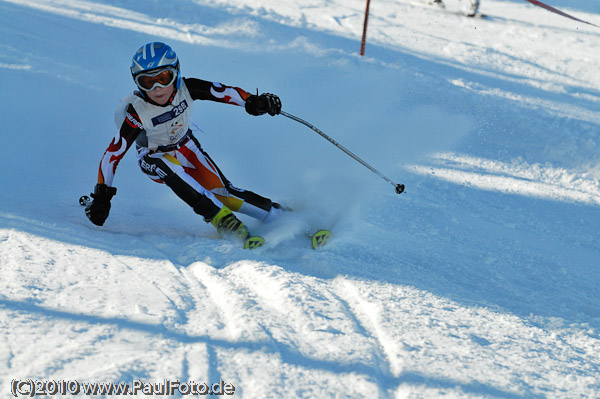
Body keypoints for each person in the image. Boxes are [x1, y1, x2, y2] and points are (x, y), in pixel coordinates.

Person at [84, 42, 283, 247]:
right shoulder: (138, 113)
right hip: (152, 156)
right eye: (147, 82)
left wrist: (254, 102)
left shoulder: (187, 88)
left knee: (225, 194)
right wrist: (102, 196)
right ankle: (223, 220)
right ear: (137, 83)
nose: (157, 89)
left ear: (176, 72)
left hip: (186, 146)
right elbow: (112, 155)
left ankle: (279, 215)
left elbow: (223, 91)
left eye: (163, 78)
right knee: (170, 167)